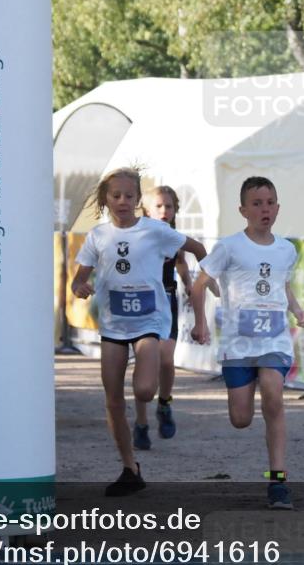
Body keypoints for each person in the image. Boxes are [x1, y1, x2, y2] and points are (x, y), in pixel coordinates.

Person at [71, 167, 209, 496]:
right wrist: (80, 287)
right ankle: (129, 468)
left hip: (149, 322)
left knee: (145, 390)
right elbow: (78, 278)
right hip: (114, 326)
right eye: (115, 196)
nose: (122, 201)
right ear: (105, 199)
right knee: (113, 401)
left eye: (129, 196)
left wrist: (206, 279)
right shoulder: (98, 236)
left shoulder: (155, 231)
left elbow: (198, 248)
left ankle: (152, 408)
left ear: (137, 200)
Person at [190, 176, 304, 510]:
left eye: (270, 202)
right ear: (243, 210)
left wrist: (297, 309)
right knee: (240, 419)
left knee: (274, 395)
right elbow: (199, 285)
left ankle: (279, 481)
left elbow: (281, 285)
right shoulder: (229, 247)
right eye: (256, 204)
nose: (264, 209)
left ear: (278, 207)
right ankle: (249, 385)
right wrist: (201, 323)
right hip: (238, 345)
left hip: (274, 339)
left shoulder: (287, 249)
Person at [139, 186, 193, 442]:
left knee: (166, 359)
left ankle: (164, 403)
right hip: (141, 301)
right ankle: (140, 422)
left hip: (168, 299)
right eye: (158, 206)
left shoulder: (174, 237)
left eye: (169, 206)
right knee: (143, 362)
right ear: (147, 210)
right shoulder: (136, 235)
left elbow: (181, 262)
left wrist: (190, 285)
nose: (164, 211)